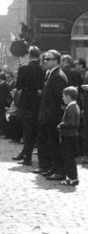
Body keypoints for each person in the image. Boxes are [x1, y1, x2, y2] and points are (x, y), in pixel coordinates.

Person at [37, 50, 68, 181]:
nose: (45, 61)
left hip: (54, 116)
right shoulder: (51, 74)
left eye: (48, 59)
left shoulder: (58, 76)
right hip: (48, 115)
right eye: (44, 59)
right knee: (51, 144)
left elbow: (60, 98)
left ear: (56, 61)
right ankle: (53, 168)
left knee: (56, 144)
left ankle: (59, 171)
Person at [13, 46, 45, 166]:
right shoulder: (43, 69)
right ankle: (28, 155)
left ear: (30, 56)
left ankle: (27, 157)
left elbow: (19, 85)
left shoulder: (24, 69)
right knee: (38, 131)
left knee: (28, 131)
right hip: (39, 102)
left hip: (27, 102)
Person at [57, 86, 80, 186]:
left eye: (64, 96)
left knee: (68, 157)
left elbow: (72, 123)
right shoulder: (74, 106)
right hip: (71, 135)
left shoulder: (71, 108)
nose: (63, 98)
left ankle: (72, 178)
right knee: (69, 157)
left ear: (69, 96)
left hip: (69, 136)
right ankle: (71, 177)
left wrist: (61, 124)